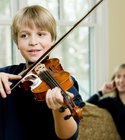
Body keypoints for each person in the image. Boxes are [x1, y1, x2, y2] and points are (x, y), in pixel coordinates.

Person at [0, 5, 84, 140]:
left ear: (53, 40)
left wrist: (59, 109)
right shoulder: (6, 76)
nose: (33, 42)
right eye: (24, 35)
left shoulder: (65, 82)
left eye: (41, 34)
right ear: (17, 43)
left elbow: (69, 137)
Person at [87, 63, 125, 140]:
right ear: (114, 81)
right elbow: (85, 106)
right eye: (118, 77)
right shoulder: (110, 102)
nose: (121, 80)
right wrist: (101, 92)